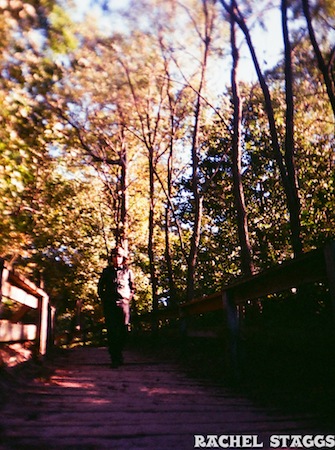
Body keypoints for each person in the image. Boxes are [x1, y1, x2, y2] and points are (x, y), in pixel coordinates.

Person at [98, 246, 135, 368]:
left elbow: (133, 287)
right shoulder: (106, 271)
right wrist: (105, 299)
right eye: (114, 256)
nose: (116, 258)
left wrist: (127, 298)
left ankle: (119, 351)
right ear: (111, 257)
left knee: (124, 329)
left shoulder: (128, 272)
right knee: (112, 331)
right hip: (110, 304)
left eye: (119, 256)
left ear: (123, 258)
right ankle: (115, 357)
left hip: (123, 303)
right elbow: (100, 288)